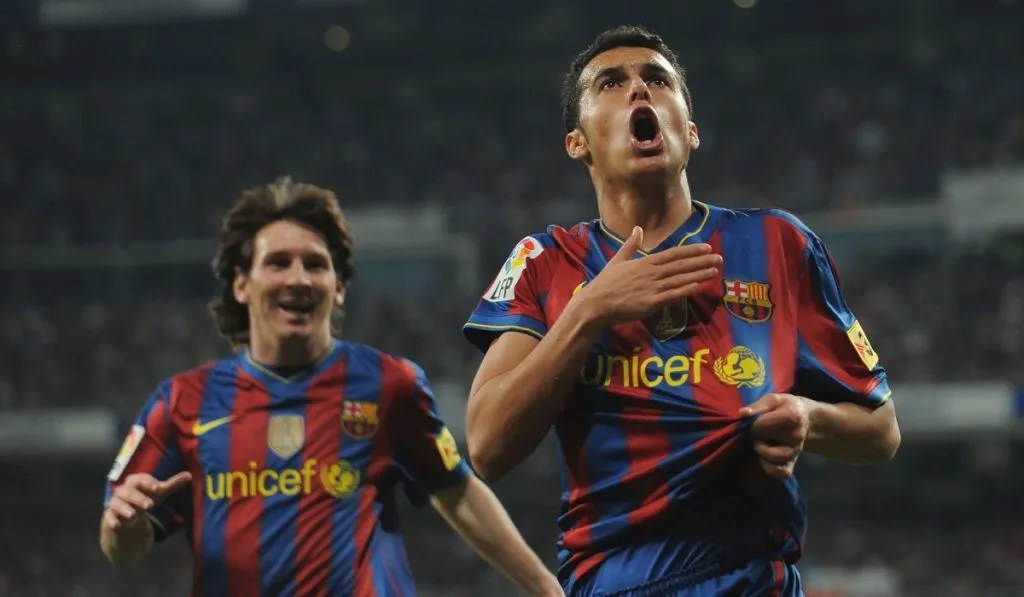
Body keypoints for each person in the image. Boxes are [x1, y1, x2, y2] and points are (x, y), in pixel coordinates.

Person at [461, 25, 901, 597]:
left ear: (689, 132)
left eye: (657, 80)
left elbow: (882, 430)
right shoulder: (545, 261)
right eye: (611, 83)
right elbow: (487, 447)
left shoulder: (779, 244)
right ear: (578, 142)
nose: (639, 91)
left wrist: (808, 417)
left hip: (751, 580)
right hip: (611, 581)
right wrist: (587, 313)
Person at [100, 177, 563, 597]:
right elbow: (120, 546)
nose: (298, 279)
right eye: (278, 263)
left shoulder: (388, 384)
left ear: (338, 286)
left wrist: (546, 588)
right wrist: (123, 524)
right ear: (242, 284)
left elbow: (456, 491)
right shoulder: (183, 402)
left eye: (315, 265)